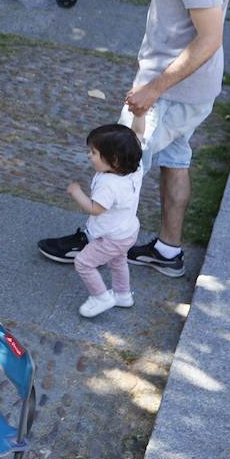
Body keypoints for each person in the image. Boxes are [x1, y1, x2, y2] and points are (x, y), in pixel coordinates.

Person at [39, 0, 230, 279]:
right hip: (186, 90)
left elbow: (208, 38)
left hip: (171, 91)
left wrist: (153, 90)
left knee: (119, 164)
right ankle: (167, 250)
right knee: (175, 161)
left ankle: (95, 241)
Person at [62, 124, 144, 318]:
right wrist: (140, 115)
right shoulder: (135, 167)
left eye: (94, 152)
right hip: (128, 231)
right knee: (118, 261)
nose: (89, 155)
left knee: (83, 263)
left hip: (110, 237)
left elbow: (95, 209)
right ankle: (123, 294)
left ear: (114, 159)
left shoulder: (108, 185)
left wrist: (76, 192)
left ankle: (101, 297)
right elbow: (139, 135)